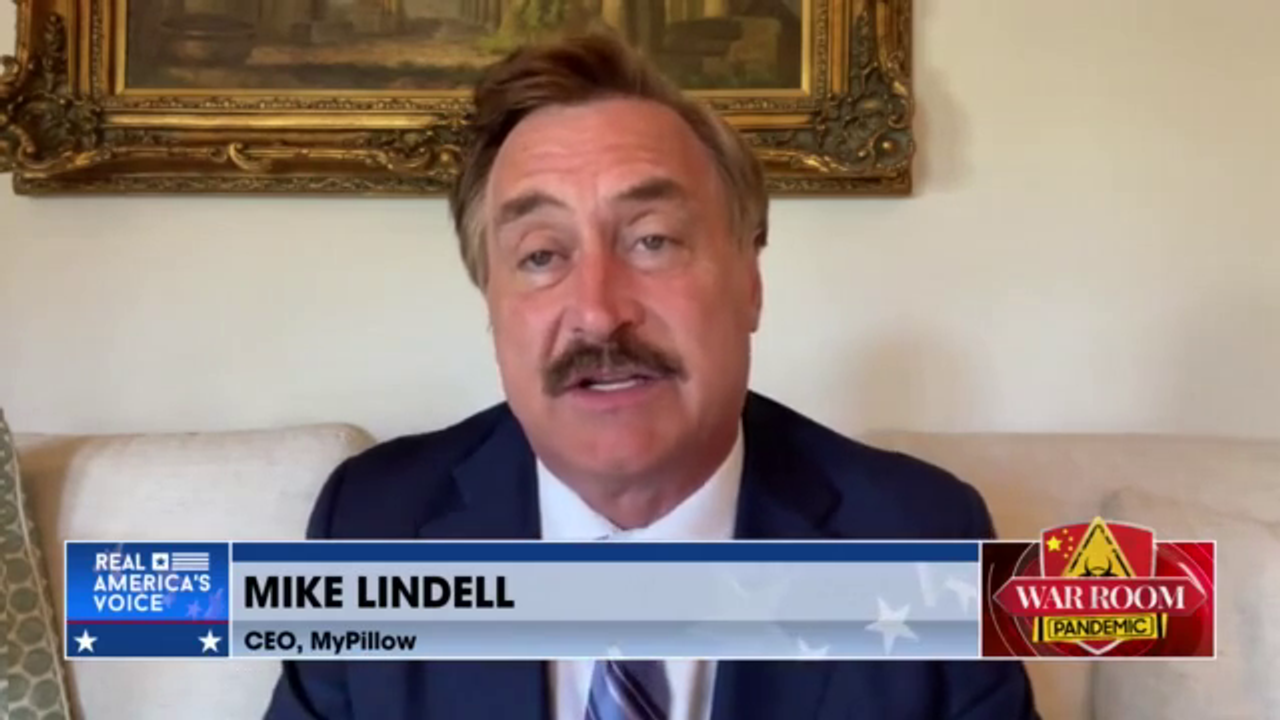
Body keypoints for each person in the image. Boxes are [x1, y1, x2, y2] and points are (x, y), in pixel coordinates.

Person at [264, 31, 1038, 720]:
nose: (598, 314)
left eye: (653, 240)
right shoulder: (372, 527)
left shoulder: (924, 539)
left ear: (750, 283)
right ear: (491, 303)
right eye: (542, 255)